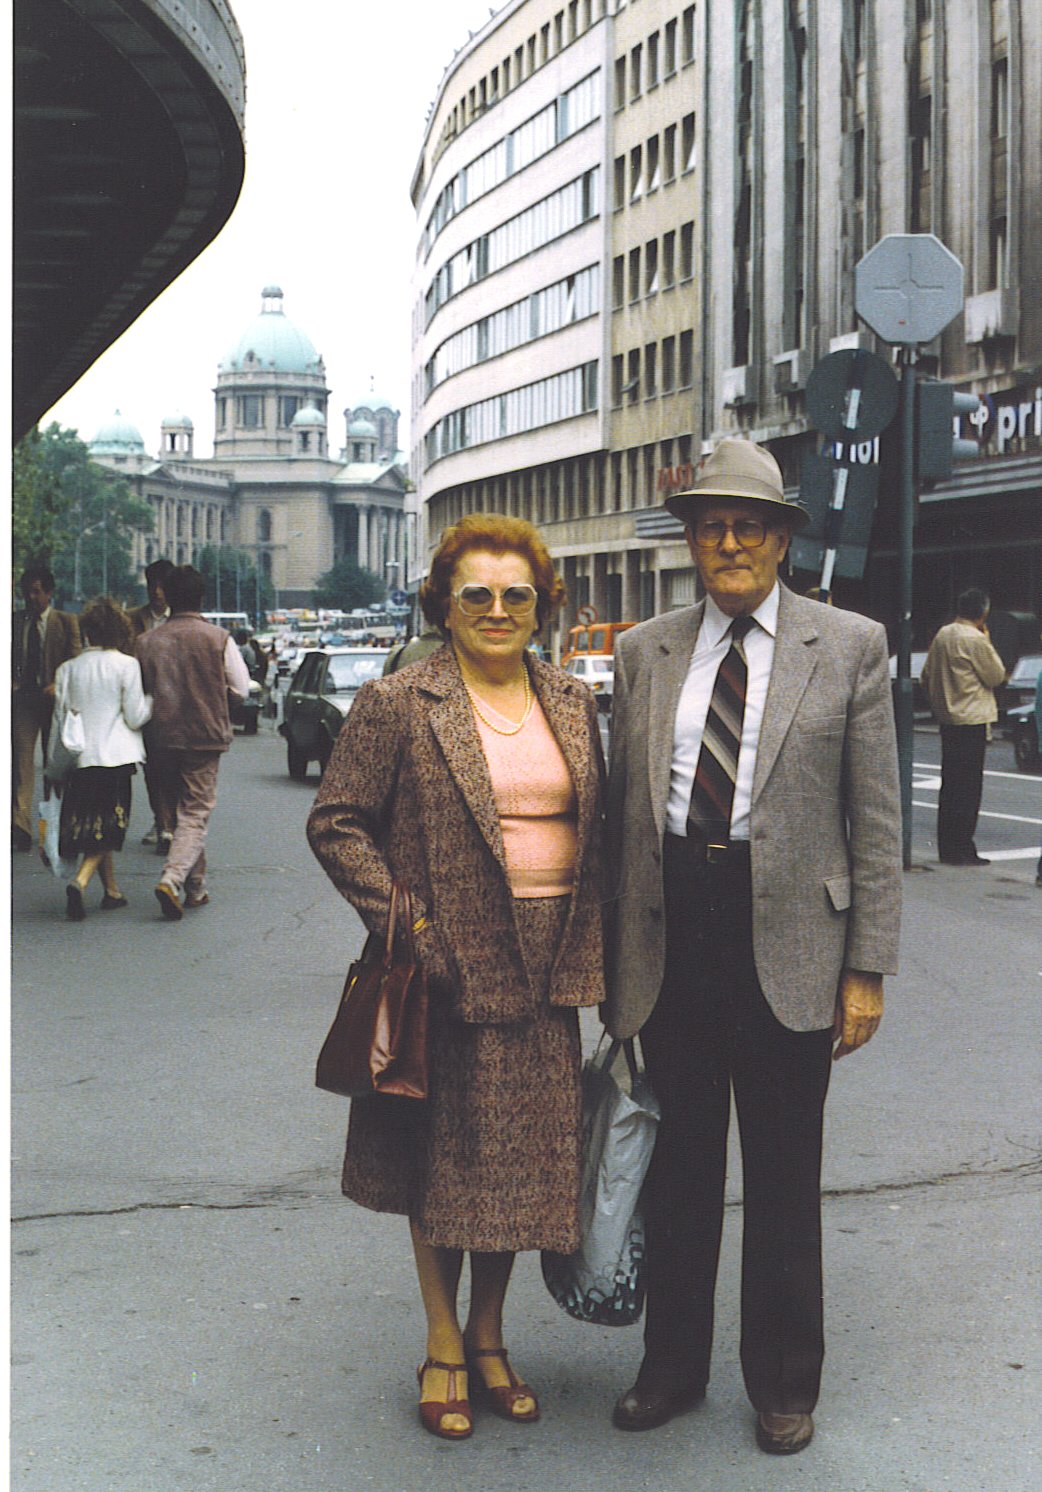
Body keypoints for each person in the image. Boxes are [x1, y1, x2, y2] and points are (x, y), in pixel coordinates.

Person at [604, 437, 902, 1455]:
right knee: (675, 1170)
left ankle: (782, 1381)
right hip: (671, 936)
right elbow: (618, 824)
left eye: (748, 525)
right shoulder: (643, 651)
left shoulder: (849, 644)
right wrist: (609, 967)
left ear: (780, 537)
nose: (728, 542)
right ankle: (670, 1367)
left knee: (782, 1171)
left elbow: (876, 822)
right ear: (689, 538)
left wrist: (866, 967)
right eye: (709, 525)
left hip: (789, 945)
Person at [307, 513, 606, 1442]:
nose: (497, 610)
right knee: (439, 1165)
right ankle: (443, 1341)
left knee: (517, 1173)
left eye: (517, 594)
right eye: (475, 594)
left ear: (542, 605)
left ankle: (489, 1334)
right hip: (444, 971)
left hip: (549, 970)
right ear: (443, 603)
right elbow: (336, 822)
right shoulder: (402, 701)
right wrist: (414, 926)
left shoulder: (568, 698)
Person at [135, 564, 251, 920]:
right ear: (202, 597)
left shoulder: (146, 642)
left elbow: (139, 693)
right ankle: (171, 879)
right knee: (195, 812)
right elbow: (242, 689)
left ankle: (196, 888)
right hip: (204, 737)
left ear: (166, 597)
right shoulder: (218, 638)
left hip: (161, 737)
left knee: (181, 814)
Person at [50, 598, 152, 919]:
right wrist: (151, 702)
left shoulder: (67, 669)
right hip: (116, 758)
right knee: (109, 826)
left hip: (80, 760)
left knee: (94, 823)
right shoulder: (126, 665)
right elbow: (135, 717)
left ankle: (112, 891)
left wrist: (54, 768)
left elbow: (59, 722)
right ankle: (80, 882)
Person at [920, 588, 1007, 866]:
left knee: (951, 787)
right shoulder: (975, 639)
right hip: (972, 719)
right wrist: (987, 639)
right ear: (982, 613)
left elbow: (925, 676)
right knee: (969, 789)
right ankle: (962, 848)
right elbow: (995, 676)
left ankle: (948, 846)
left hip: (948, 719)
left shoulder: (943, 634)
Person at [11, 566, 81, 851]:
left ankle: (54, 823)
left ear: (49, 593)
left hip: (54, 702)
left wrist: (58, 683)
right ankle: (21, 823)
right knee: (21, 763)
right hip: (24, 701)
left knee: (54, 766)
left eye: (37, 591)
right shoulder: (15, 621)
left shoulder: (66, 622)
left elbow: (76, 662)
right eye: (27, 591)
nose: (31, 597)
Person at [127, 557, 174, 850]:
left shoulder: (183, 618)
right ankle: (163, 822)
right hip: (144, 703)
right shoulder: (131, 619)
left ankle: (168, 821)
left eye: (162, 586)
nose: (156, 592)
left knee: (174, 767)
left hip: (177, 705)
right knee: (153, 767)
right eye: (151, 585)